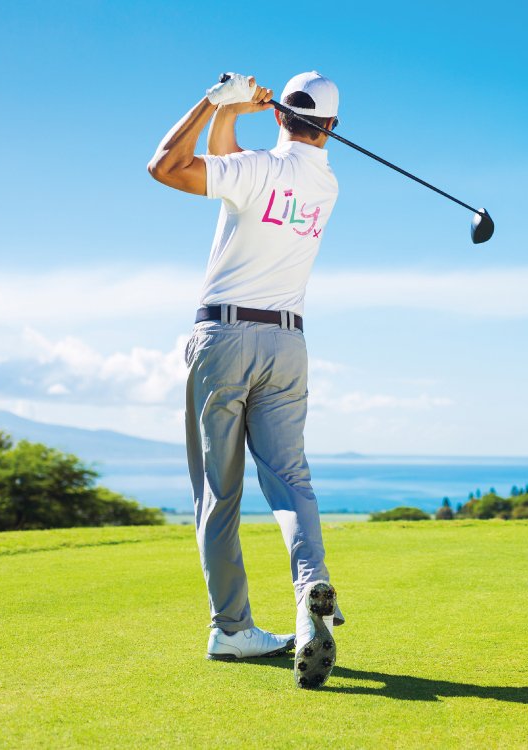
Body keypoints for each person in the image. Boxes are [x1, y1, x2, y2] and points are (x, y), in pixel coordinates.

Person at [147, 71, 344, 689]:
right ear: (332, 126)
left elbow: (166, 166)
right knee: (291, 479)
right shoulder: (326, 184)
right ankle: (310, 585)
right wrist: (240, 112)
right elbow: (234, 170)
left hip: (226, 338)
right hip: (288, 343)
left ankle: (232, 628)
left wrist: (215, 99)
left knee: (218, 492)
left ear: (281, 114)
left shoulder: (258, 167)